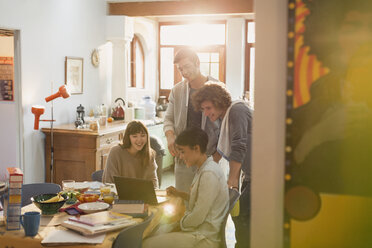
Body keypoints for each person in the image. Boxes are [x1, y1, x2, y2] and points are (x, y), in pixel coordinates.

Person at [143, 127, 228, 248]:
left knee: (145, 243)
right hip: (200, 231)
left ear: (197, 148)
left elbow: (198, 215)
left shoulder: (209, 174)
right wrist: (180, 194)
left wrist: (178, 224)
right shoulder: (206, 168)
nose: (180, 157)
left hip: (204, 238)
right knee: (158, 231)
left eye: (183, 152)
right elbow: (202, 201)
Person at [192, 83, 253, 248]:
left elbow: (239, 145)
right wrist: (204, 166)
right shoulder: (226, 116)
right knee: (240, 215)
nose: (206, 113)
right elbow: (220, 149)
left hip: (262, 173)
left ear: (219, 102)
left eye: (208, 107)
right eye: (203, 109)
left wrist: (231, 179)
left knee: (241, 215)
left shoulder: (237, 111)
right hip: (250, 174)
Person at [163, 48, 220, 192]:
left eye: (187, 67)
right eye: (180, 69)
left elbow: (226, 128)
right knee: (184, 202)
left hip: (210, 157)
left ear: (197, 63)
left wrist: (216, 157)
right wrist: (170, 137)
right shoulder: (177, 90)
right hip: (184, 159)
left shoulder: (217, 88)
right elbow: (168, 118)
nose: (184, 73)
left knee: (208, 202)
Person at [102, 120, 159, 189]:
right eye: (134, 136)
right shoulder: (115, 152)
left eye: (143, 136)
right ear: (128, 137)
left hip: (142, 197)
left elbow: (154, 184)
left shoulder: (149, 154)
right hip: (118, 196)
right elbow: (109, 182)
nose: (139, 140)